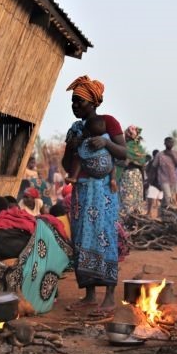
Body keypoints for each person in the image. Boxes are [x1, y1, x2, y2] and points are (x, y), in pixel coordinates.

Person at [61, 75, 127, 313]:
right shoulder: (75, 130)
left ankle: (109, 296)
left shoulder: (109, 123)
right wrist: (73, 145)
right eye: (73, 102)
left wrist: (106, 144)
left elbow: (123, 154)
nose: (75, 106)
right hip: (81, 191)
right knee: (82, 239)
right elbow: (68, 165)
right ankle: (89, 295)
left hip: (102, 192)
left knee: (104, 236)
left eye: (80, 101)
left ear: (94, 103)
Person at [0, 197, 72, 314]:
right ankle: (25, 303)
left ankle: (9, 304)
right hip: (24, 251)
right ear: (8, 208)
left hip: (0, 254)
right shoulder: (29, 220)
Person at [65, 116, 116, 190]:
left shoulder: (86, 142)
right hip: (107, 169)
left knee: (78, 157)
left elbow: (81, 152)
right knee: (113, 160)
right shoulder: (106, 137)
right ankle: (113, 179)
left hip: (92, 169)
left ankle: (73, 177)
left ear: (87, 132)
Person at [118, 125, 148, 216]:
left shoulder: (125, 147)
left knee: (127, 200)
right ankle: (136, 222)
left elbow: (123, 164)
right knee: (136, 200)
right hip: (137, 176)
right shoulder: (140, 149)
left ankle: (127, 222)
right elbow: (142, 166)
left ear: (126, 135)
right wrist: (143, 181)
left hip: (127, 175)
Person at [152, 137, 177, 210]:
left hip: (173, 179)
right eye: (168, 142)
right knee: (168, 197)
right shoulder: (160, 155)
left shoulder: (176, 153)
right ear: (165, 143)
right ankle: (170, 214)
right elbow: (154, 167)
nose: (170, 143)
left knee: (166, 198)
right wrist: (154, 180)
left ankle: (161, 212)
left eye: (172, 142)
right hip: (163, 179)